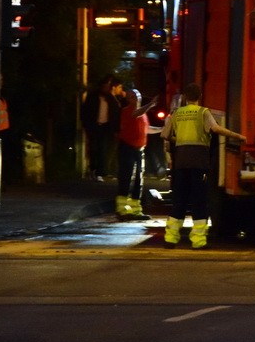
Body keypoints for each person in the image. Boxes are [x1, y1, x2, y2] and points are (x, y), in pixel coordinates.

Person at [160, 83, 245, 249]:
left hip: (181, 162)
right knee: (199, 201)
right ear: (200, 96)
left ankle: (170, 239)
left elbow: (164, 134)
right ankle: (198, 241)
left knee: (179, 201)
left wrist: (180, 141)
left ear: (184, 96)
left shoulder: (176, 113)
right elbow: (215, 129)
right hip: (199, 162)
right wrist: (238, 136)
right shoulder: (203, 112)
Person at [116, 88, 157, 220]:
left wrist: (163, 129)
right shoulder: (127, 111)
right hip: (127, 148)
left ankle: (135, 210)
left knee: (138, 180)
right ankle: (122, 210)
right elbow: (136, 114)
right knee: (127, 179)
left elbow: (147, 129)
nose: (134, 98)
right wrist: (150, 104)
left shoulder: (143, 115)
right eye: (131, 97)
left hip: (139, 150)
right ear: (128, 100)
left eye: (136, 96)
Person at [81, 74, 123, 181]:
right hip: (94, 125)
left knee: (103, 149)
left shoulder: (111, 99)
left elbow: (115, 114)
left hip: (105, 126)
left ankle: (100, 172)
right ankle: (93, 170)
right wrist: (86, 125)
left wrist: (115, 128)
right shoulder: (93, 96)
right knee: (94, 148)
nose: (106, 88)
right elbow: (86, 111)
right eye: (105, 85)